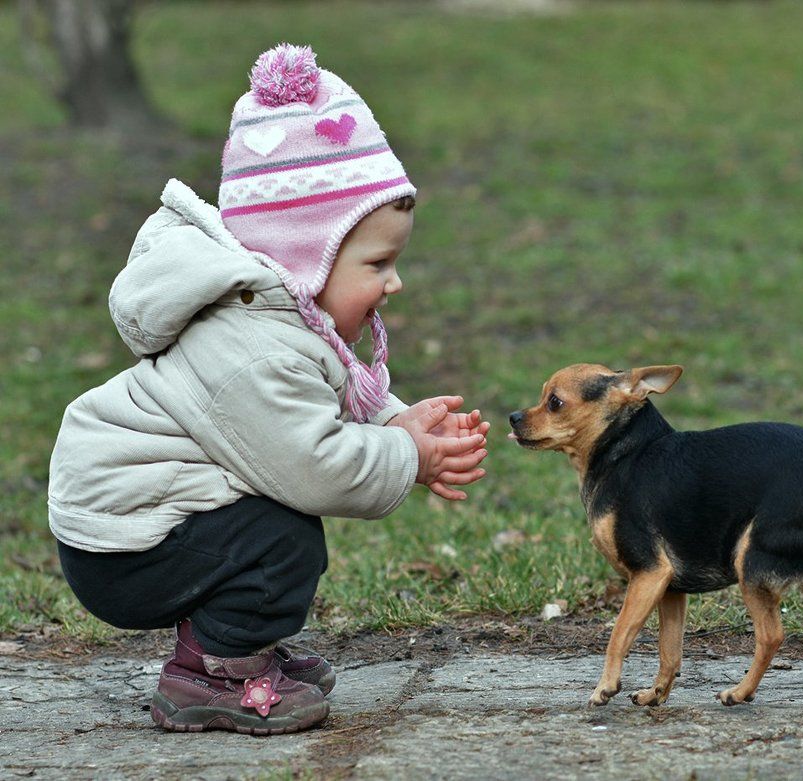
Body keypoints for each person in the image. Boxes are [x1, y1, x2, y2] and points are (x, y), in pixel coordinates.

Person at [47, 43, 489, 735]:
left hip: (146, 522)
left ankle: (236, 643)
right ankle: (214, 670)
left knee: (269, 527)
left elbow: (327, 396)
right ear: (308, 258)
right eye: (378, 263)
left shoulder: (279, 319)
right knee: (283, 536)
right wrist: (409, 456)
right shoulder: (251, 351)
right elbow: (315, 467)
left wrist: (399, 424)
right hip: (126, 546)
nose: (394, 282)